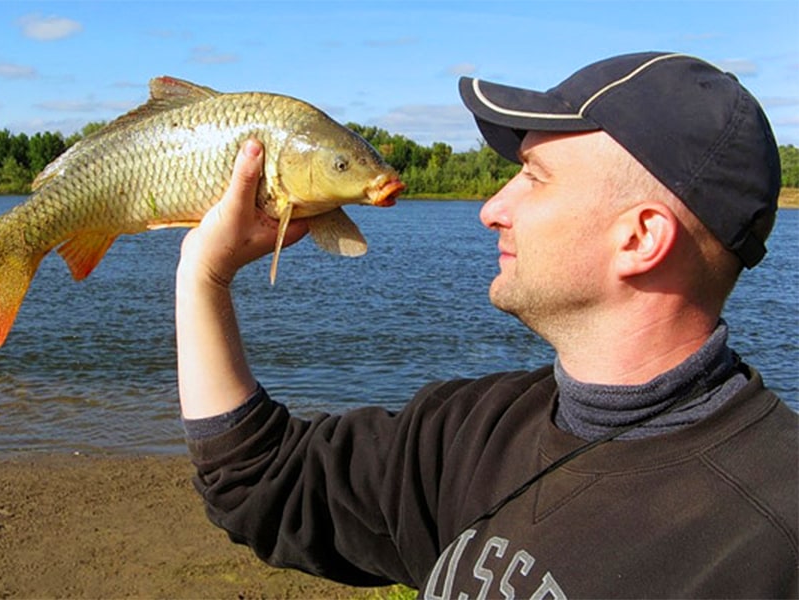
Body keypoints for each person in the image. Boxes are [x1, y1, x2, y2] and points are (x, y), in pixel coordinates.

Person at [176, 51, 798, 598]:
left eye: (534, 176)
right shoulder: (471, 431)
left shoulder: (772, 535)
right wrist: (202, 275)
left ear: (639, 238)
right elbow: (261, 485)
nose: (492, 208)